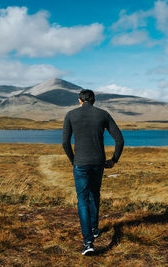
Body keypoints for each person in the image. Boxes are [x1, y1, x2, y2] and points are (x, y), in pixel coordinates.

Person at [62, 89, 124, 255]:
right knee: (95, 194)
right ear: (94, 100)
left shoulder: (70, 115)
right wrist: (114, 160)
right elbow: (119, 139)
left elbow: (65, 142)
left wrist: (73, 160)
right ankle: (95, 228)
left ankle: (88, 242)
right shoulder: (103, 114)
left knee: (82, 200)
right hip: (98, 163)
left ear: (79, 100)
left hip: (80, 163)